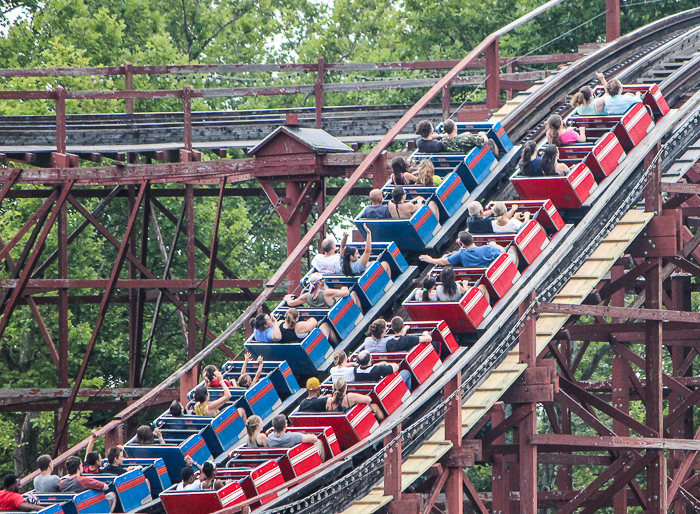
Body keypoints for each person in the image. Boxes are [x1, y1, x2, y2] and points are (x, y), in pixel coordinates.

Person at [420, 230, 518, 268]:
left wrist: (431, 260)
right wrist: (494, 244)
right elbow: (503, 251)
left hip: (483, 273)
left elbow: (444, 261)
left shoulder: (461, 255)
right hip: (494, 270)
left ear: (462, 244)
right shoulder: (487, 249)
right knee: (513, 248)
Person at [284, 272, 358, 310]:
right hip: (335, 314)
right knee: (353, 293)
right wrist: (344, 288)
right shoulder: (326, 292)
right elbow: (346, 293)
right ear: (319, 282)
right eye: (322, 280)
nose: (324, 281)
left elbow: (292, 303)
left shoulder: (306, 296)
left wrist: (288, 299)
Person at [363, 317, 433, 353]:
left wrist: (405, 329)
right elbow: (400, 338)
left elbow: (399, 337)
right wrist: (425, 333)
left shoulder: (367, 341)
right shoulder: (389, 341)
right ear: (384, 330)